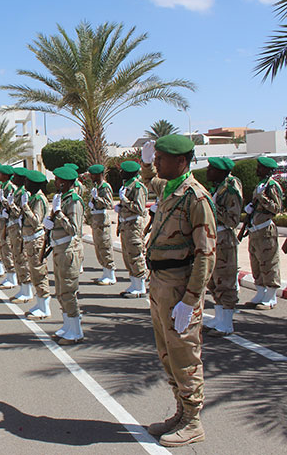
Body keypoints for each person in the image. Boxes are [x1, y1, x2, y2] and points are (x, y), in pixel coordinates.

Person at [139, 135, 216, 447]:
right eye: (155, 158)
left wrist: (190, 299)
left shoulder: (196, 198)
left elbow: (206, 253)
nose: (156, 163)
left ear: (182, 161)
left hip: (179, 287)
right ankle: (181, 411)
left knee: (185, 355)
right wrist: (145, 160)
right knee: (167, 354)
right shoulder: (169, 188)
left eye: (161, 158)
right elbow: (148, 180)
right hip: (160, 284)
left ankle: (193, 420)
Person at [200, 157, 242, 336]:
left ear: (221, 171)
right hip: (213, 237)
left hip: (224, 238)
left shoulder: (230, 190)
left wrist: (213, 206)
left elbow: (233, 219)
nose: (208, 171)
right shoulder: (218, 188)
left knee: (225, 280)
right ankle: (218, 318)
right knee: (213, 280)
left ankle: (226, 323)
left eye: (211, 168)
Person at [44, 167, 85, 344]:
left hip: (69, 250)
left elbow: (74, 229)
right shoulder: (62, 198)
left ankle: (76, 332)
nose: (56, 182)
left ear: (66, 182)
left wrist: (59, 214)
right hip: (60, 248)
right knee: (61, 292)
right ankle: (67, 326)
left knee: (68, 292)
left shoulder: (74, 201)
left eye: (58, 179)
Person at [242, 156, 283, 310]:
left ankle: (271, 297)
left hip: (266, 230)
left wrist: (262, 197)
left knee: (269, 262)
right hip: (255, 231)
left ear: (268, 169)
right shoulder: (261, 184)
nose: (257, 169)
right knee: (256, 263)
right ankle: (261, 292)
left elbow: (276, 208)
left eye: (260, 167)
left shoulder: (272, 186)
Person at [18, 170, 51, 317]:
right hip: (30, 239)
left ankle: (45, 307)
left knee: (39, 273)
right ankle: (40, 304)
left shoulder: (38, 199)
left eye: (27, 182)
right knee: (34, 272)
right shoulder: (33, 197)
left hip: (36, 240)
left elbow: (36, 221)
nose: (25, 185)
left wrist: (25, 207)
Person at [116, 160, 149, 298]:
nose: (121, 173)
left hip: (134, 225)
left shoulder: (137, 187)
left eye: (123, 171)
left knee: (135, 254)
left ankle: (140, 286)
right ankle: (134, 283)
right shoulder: (127, 186)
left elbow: (140, 208)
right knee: (127, 255)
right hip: (126, 225)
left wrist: (126, 201)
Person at [87, 164, 117, 285]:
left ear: (100, 175)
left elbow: (109, 204)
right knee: (99, 247)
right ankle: (105, 272)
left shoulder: (105, 187)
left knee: (105, 246)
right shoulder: (97, 187)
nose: (91, 177)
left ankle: (111, 274)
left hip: (102, 220)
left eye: (93, 175)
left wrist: (97, 198)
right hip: (96, 219)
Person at [0, 165, 17, 288]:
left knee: (7, 249)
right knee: (3, 247)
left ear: (6, 175)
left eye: (1, 174)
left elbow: (11, 206)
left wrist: (3, 203)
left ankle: (12, 277)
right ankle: (9, 275)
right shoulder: (3, 187)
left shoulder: (10, 188)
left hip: (9, 223)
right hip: (2, 221)